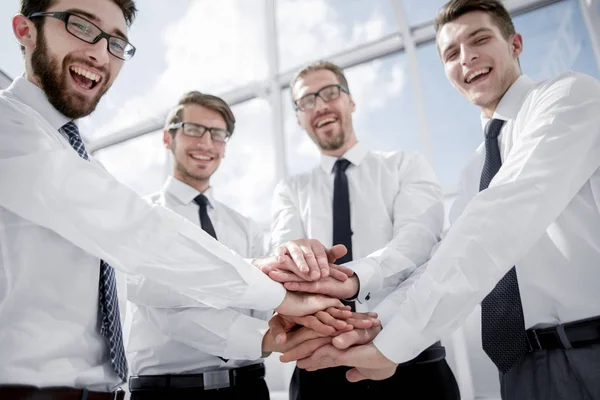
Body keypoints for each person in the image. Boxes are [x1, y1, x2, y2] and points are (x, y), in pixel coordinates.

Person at [0, 1, 348, 398]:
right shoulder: (12, 129)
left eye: (117, 42)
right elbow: (142, 251)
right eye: (81, 26)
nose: (100, 52)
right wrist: (277, 291)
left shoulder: (77, 159)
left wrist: (283, 314)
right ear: (25, 30)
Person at [285, 1, 600, 399]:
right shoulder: (475, 169)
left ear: (515, 43)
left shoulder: (569, 98)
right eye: (451, 53)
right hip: (522, 362)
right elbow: (444, 254)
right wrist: (373, 318)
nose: (466, 58)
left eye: (479, 39)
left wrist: (396, 340)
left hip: (590, 347)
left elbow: (496, 222)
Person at [126, 91, 379, 399]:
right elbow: (158, 300)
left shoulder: (245, 227)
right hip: (167, 392)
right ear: (169, 138)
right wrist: (264, 338)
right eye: (193, 129)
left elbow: (266, 299)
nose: (206, 143)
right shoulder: (143, 214)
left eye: (218, 135)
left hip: (249, 388)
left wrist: (308, 293)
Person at [267, 60, 460, 400]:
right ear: (299, 118)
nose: (320, 105)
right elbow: (286, 252)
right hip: (320, 372)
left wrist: (352, 279)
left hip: (411, 363)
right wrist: (294, 259)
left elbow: (417, 242)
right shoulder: (290, 190)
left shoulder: (405, 165)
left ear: (351, 101)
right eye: (306, 101)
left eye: (329, 93)